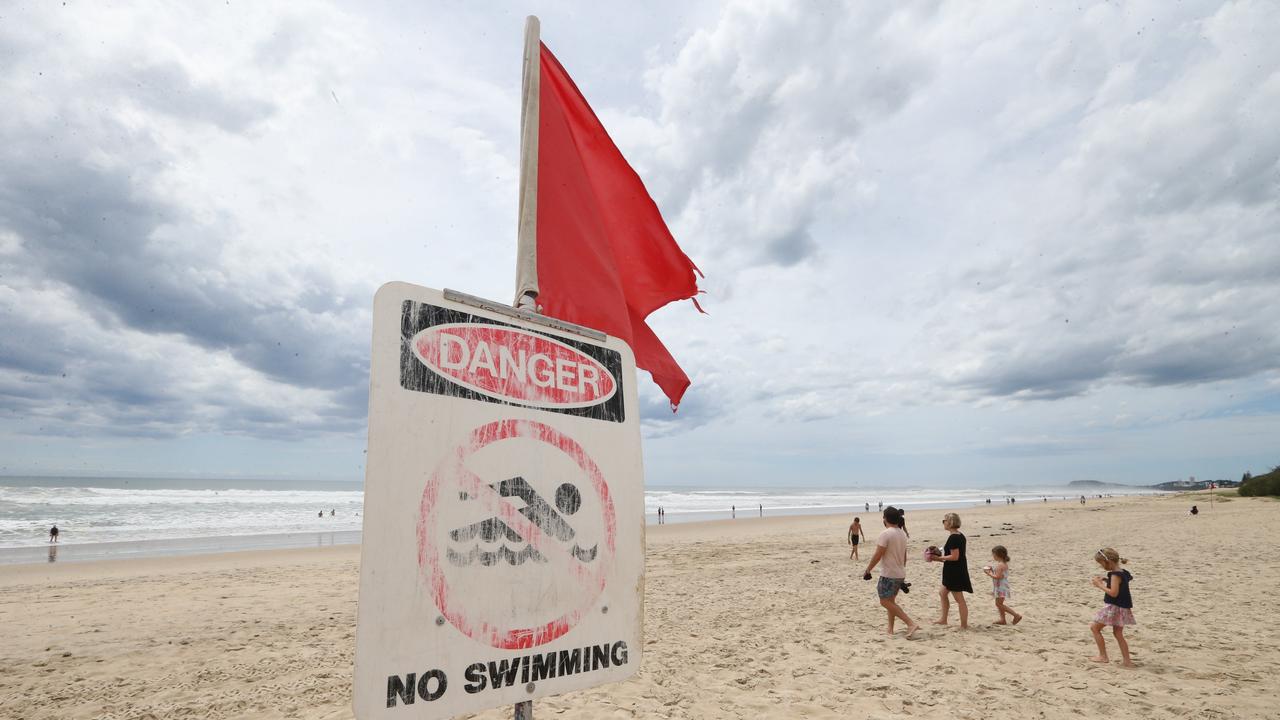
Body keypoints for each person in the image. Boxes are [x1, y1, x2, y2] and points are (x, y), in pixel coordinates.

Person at [863, 506, 919, 638]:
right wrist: (901, 569)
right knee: (891, 602)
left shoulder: (886, 534)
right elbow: (905, 556)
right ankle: (890, 629)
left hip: (889, 573)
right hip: (899, 572)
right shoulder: (902, 533)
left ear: (885, 519)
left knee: (884, 601)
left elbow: (878, 554)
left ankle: (910, 623)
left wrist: (868, 569)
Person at [1089, 547, 1136, 667]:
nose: (1101, 566)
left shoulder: (1115, 575)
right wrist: (1107, 579)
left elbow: (1113, 593)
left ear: (1108, 562)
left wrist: (1099, 585)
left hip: (1114, 608)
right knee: (1118, 633)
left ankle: (1103, 656)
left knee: (1095, 628)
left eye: (1101, 564)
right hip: (1123, 607)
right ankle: (1127, 661)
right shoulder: (1123, 572)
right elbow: (1123, 582)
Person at [928, 512, 972, 628]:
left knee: (959, 599)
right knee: (942, 593)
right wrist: (938, 556)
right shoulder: (959, 535)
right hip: (954, 569)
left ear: (950, 522)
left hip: (955, 571)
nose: (943, 523)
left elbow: (955, 556)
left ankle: (964, 625)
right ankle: (943, 619)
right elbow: (953, 555)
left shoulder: (954, 537)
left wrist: (939, 557)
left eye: (945, 521)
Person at [982, 545, 1022, 625]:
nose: (993, 556)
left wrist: (988, 573)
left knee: (999, 604)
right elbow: (999, 573)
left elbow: (998, 577)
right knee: (999, 604)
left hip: (1001, 587)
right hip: (1001, 586)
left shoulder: (1000, 565)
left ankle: (1016, 615)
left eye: (993, 554)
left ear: (997, 555)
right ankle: (1003, 620)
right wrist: (992, 569)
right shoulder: (1003, 563)